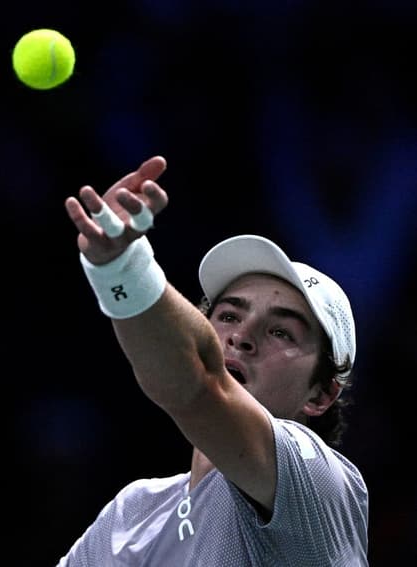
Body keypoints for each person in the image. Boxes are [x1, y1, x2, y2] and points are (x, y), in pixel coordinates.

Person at [56, 155, 369, 566]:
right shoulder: (132, 516)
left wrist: (119, 268)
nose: (242, 336)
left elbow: (201, 383)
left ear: (322, 394)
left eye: (281, 332)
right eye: (228, 317)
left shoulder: (316, 482)